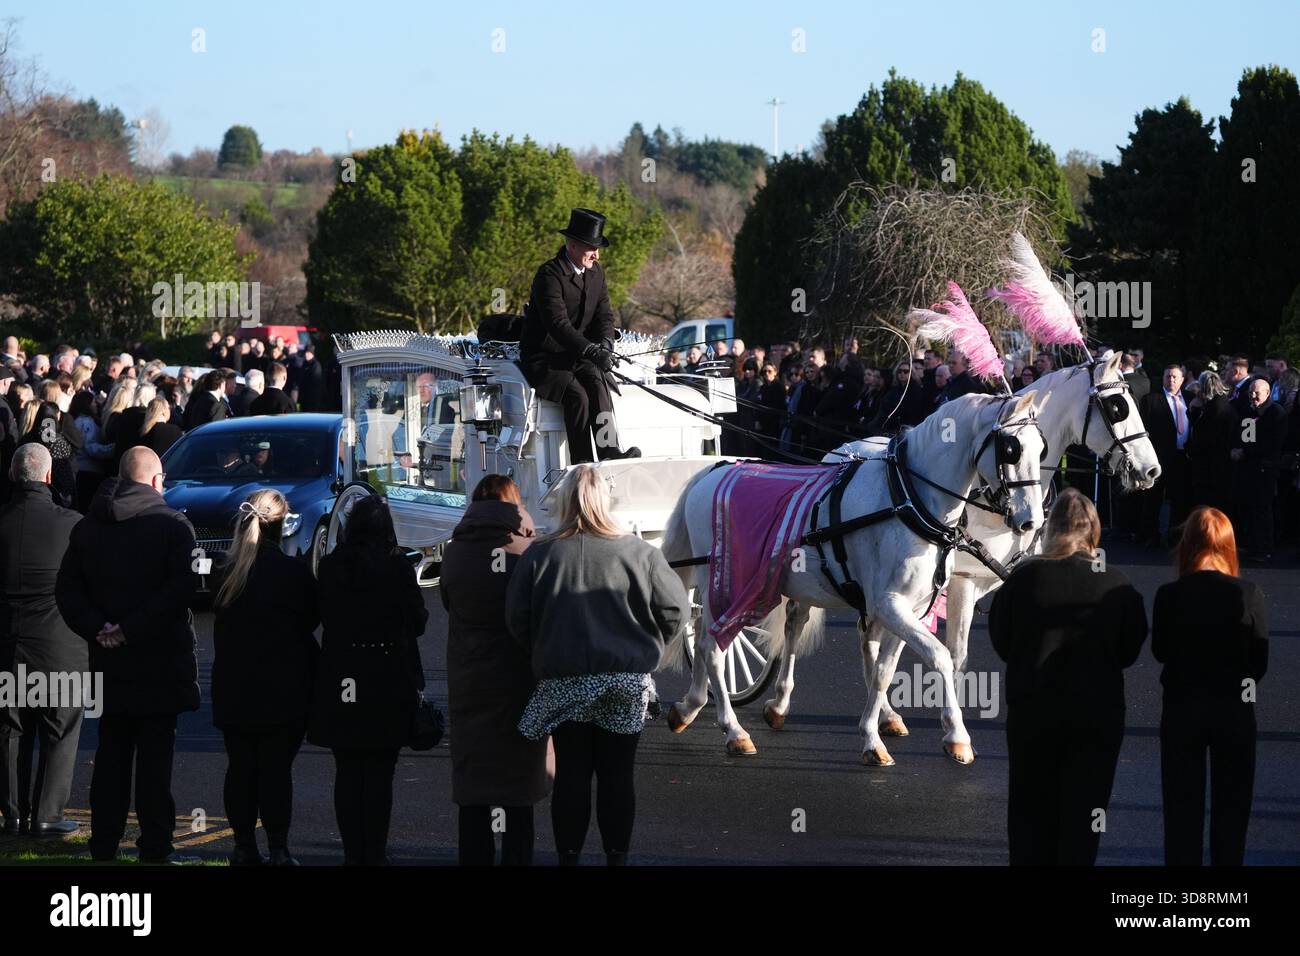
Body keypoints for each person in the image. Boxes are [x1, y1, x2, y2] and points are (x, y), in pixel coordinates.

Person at [507, 465, 688, 865]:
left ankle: (568, 857)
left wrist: (544, 648)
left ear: (566, 502)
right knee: (617, 775)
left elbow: (517, 617)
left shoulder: (541, 554)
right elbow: (675, 609)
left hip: (565, 679)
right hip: (625, 679)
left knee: (571, 774)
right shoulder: (641, 553)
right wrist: (651, 644)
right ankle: (616, 857)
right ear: (607, 501)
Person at [55, 447, 200, 863]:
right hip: (158, 661)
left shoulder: (88, 527)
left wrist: (99, 627)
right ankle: (155, 847)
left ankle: (103, 844)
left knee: (111, 755)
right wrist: (130, 628)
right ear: (156, 481)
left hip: (109, 661)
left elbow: (67, 590)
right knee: (156, 763)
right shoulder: (173, 526)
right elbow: (180, 590)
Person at [989, 489, 1148, 865]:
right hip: (1097, 714)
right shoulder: (1117, 584)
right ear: (1094, 529)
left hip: (1033, 710)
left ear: (1051, 529)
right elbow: (1129, 649)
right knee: (1086, 814)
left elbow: (1002, 639)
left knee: (1028, 812)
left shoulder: (1023, 579)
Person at [308, 496, 426, 865]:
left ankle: (352, 853)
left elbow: (319, 613)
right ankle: (374, 852)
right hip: (386, 673)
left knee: (347, 769)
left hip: (343, 670)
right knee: (380, 771)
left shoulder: (330, 566)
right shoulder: (397, 568)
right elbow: (418, 621)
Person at [440, 476, 548, 866]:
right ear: (514, 506)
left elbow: (451, 602)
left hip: (470, 677)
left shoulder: (454, 552)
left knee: (475, 786)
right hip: (519, 679)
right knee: (517, 788)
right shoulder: (528, 552)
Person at [1151, 507, 1267, 865]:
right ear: (1228, 545)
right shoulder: (1248, 593)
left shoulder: (1169, 594)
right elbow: (1258, 664)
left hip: (1183, 708)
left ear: (1187, 545)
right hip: (1233, 710)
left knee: (1181, 809)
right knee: (1232, 808)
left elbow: (1160, 651)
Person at [211, 489, 319, 866]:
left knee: (240, 768)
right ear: (282, 524)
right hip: (282, 686)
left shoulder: (225, 572)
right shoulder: (291, 572)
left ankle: (243, 846)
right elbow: (310, 620)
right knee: (275, 770)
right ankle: (278, 847)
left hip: (234, 685)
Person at [0, 445, 86, 836]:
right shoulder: (72, 524)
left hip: (6, 644)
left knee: (8, 731)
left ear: (12, 475)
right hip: (60, 646)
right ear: (49, 477)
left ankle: (11, 813)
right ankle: (49, 815)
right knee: (61, 732)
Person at [518, 208, 640, 464]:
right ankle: (582, 463)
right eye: (590, 248)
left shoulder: (596, 272)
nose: (596, 254)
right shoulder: (549, 274)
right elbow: (558, 324)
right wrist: (592, 350)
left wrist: (605, 343)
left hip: (578, 356)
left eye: (597, 248)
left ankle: (609, 453)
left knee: (598, 383)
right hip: (545, 358)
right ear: (572, 245)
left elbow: (604, 315)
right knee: (578, 396)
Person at [1229, 376, 1289, 562]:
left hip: (1266, 469)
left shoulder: (1276, 413)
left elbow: (1273, 444)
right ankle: (1252, 545)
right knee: (1247, 507)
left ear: (1268, 393)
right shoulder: (1249, 412)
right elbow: (1247, 438)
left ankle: (1264, 548)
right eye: (1251, 393)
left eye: (1257, 392)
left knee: (1262, 509)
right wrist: (1239, 450)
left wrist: (1245, 452)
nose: (1253, 396)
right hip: (1249, 469)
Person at [1138, 364, 1193, 547]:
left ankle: (1176, 536)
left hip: (1182, 457)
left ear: (1182, 380)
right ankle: (1150, 536)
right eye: (1168, 376)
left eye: (1175, 377)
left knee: (1179, 498)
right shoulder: (1151, 400)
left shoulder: (1190, 399)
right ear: (1162, 378)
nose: (1171, 380)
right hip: (1158, 457)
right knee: (1153, 498)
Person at [1186, 370, 1235, 513]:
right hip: (1218, 465)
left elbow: (1203, 438)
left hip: (1211, 467)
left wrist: (1189, 448)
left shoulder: (1213, 409)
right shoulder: (1222, 404)